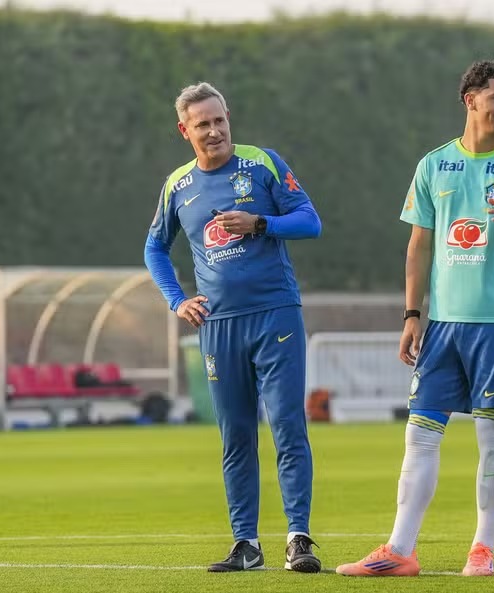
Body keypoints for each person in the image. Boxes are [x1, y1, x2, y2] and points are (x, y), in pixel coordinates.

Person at [336, 60, 494, 578]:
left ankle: (483, 548)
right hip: (443, 325)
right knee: (420, 434)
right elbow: (418, 245)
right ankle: (399, 550)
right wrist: (413, 313)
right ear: (470, 100)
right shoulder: (434, 165)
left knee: (492, 436)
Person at [144, 82, 323, 574]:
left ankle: (298, 538)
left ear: (228, 118)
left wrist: (261, 223)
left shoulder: (263, 163)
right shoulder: (177, 185)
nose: (215, 130)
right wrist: (178, 300)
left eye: (219, 120)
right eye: (202, 124)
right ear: (185, 131)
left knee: (287, 424)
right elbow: (154, 247)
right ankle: (246, 544)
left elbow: (310, 221)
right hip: (218, 325)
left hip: (275, 314)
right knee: (236, 436)